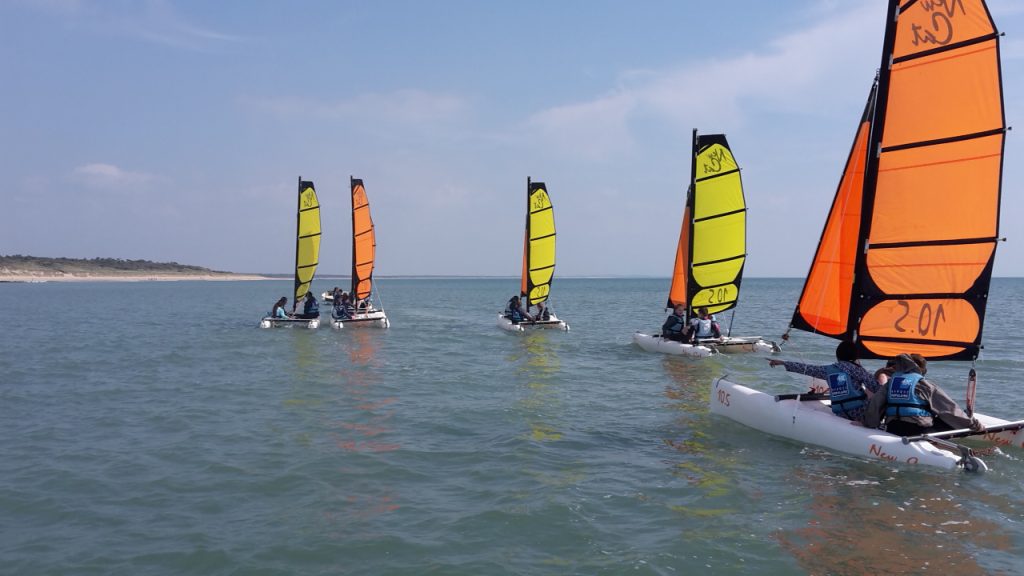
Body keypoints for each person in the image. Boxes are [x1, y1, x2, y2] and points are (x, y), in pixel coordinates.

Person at [862, 353, 984, 436]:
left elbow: (875, 405)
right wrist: (974, 425)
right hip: (918, 430)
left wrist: (868, 424)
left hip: (893, 428)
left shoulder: (891, 383)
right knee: (945, 417)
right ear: (921, 370)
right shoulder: (925, 385)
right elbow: (948, 410)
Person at [768, 340, 879, 421]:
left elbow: (806, 369)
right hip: (860, 411)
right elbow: (876, 387)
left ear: (837, 356)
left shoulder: (828, 370)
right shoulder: (858, 370)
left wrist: (783, 363)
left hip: (840, 412)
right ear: (855, 356)